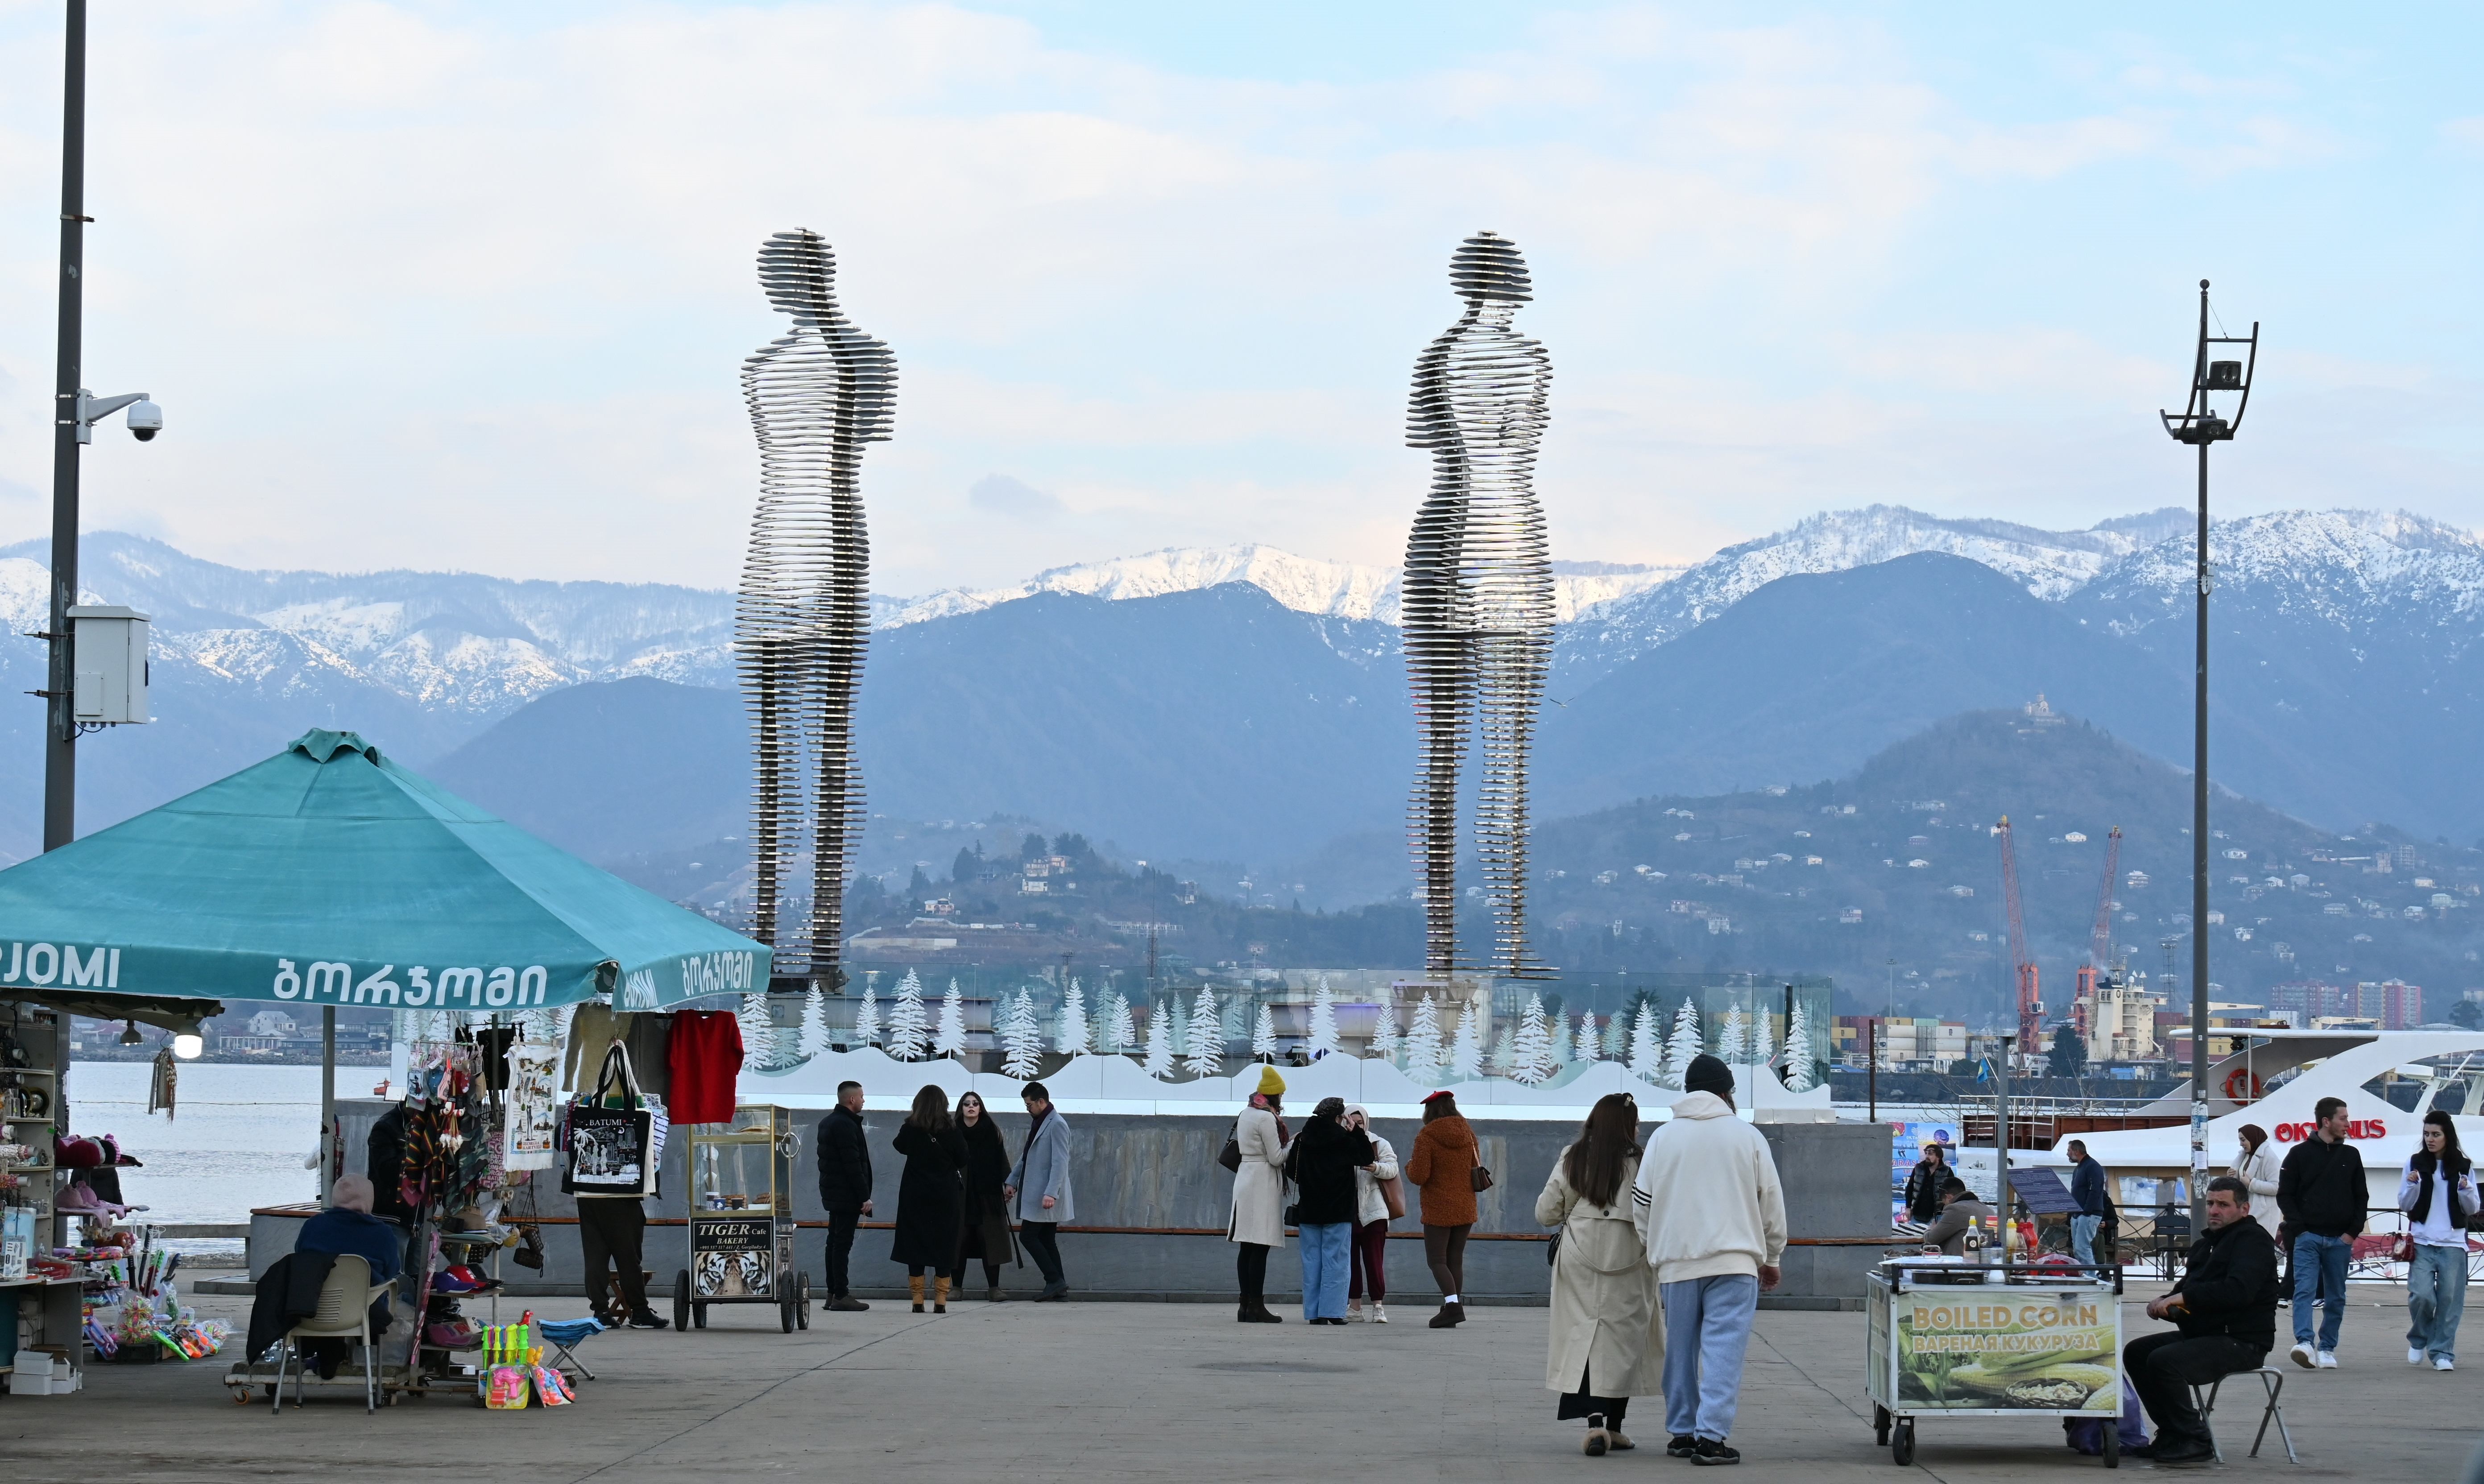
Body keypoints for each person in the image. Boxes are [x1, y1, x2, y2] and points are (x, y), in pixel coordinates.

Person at [1632, 1054, 1785, 1467]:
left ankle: (1682, 1431)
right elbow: (1771, 1202)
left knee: (1680, 1349)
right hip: (1736, 1263)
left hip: (1677, 1262)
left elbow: (1641, 1203)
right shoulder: (1748, 1136)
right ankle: (1712, 1437)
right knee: (1724, 1351)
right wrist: (1771, 1256)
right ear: (1725, 1092)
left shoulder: (1663, 1138)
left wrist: (1655, 1246)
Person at [1538, 1093, 1664, 1458]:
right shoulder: (1643, 1161)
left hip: (1580, 1258)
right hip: (1631, 1259)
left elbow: (1546, 1213)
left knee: (1584, 1337)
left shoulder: (1574, 1156)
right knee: (1625, 1340)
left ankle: (1595, 1425)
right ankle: (1616, 1427)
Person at [2124, 1175, 2280, 1465]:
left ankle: (2196, 1438)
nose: (2214, 1210)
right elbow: (2187, 1290)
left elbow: (2238, 1291)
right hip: (2206, 1334)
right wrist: (2164, 1302)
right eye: (2210, 1203)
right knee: (2137, 1352)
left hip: (2242, 1341)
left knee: (2164, 1360)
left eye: (2223, 1204)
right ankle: (2172, 1433)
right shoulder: (2206, 1244)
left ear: (2244, 1209)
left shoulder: (2253, 1241)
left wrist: (2182, 1299)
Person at [2278, 1095, 2366, 1369]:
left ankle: (2327, 1348)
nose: (2348, 1124)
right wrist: (2300, 1230)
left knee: (2336, 1297)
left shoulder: (2351, 1155)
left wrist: (2352, 1233)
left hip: (2341, 1239)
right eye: (2344, 1118)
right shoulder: (2298, 1154)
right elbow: (2285, 1195)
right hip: (2308, 1238)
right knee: (2304, 1291)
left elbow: (2361, 1197)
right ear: (2326, 1121)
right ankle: (2305, 1343)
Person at [2401, 1108, 2479, 1371]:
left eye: (2436, 1135)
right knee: (2422, 1296)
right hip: (2422, 1241)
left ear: (2448, 1136)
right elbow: (2404, 1204)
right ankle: (2419, 1339)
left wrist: (2466, 1190)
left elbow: (2472, 1209)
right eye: (2426, 1134)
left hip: (2453, 1243)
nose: (2430, 1139)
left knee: (2449, 1301)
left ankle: (2442, 1353)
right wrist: (2413, 1186)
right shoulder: (2415, 1163)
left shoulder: (2464, 1166)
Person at [1288, 1096, 1375, 1325]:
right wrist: (1357, 1132)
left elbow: (1291, 1169)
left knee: (1311, 1262)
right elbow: (1367, 1158)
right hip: (1338, 1209)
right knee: (1336, 1262)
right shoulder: (1343, 1139)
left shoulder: (1303, 1138)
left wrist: (1311, 1181)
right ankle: (1333, 1312)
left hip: (1309, 1210)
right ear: (1339, 1117)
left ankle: (1314, 1314)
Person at [1406, 1088, 1482, 1328]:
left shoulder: (1427, 1135)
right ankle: (1452, 1307)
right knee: (1455, 1260)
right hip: (1465, 1205)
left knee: (1437, 1261)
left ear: (1430, 1111)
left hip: (1439, 1207)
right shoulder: (1468, 1133)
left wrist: (1409, 1166)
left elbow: (1419, 1175)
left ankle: (1452, 1307)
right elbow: (1475, 1166)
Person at [890, 1084, 968, 1313]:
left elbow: (899, 1146)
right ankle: (941, 1299)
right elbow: (963, 1158)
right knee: (945, 1244)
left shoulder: (910, 1129)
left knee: (915, 1244)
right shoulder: (953, 1131)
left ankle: (917, 1299)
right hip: (945, 1196)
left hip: (914, 1195)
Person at [1226, 1066, 1290, 1323]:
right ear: (1275, 1095)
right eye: (1281, 1095)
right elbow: (1276, 1158)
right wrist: (1292, 1144)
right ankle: (1257, 1306)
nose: (1282, 1099)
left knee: (1246, 1246)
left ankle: (1244, 1306)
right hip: (1262, 1181)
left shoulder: (1246, 1113)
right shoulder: (1266, 1119)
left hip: (1245, 1178)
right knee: (1260, 1247)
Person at [1005, 1080, 1075, 1301]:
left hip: (1045, 1195)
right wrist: (1012, 1181)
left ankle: (1054, 1280)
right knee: (1046, 1239)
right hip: (1040, 1194)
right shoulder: (1041, 1122)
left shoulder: (1057, 1124)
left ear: (1041, 1101)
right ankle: (1059, 1287)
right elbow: (1027, 1156)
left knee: (1028, 1236)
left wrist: (1051, 1192)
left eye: (1030, 1105)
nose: (1028, 1109)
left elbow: (1060, 1162)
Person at [955, 1091, 1020, 1301]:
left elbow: (1001, 1159)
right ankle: (956, 1287)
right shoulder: (953, 1131)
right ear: (961, 1108)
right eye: (967, 1104)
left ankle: (994, 1288)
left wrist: (1009, 1183)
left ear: (981, 1108)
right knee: (960, 1239)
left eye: (975, 1104)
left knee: (989, 1240)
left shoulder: (991, 1131)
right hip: (960, 1195)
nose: (971, 1107)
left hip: (987, 1195)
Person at [816, 1080, 874, 1312]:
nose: (863, 1100)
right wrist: (864, 1196)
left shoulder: (829, 1122)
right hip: (847, 1195)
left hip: (834, 1193)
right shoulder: (845, 1125)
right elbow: (853, 1164)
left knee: (833, 1243)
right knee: (842, 1245)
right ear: (852, 1099)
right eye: (861, 1096)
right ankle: (841, 1294)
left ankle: (832, 1294)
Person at [1344, 1103, 1400, 1323]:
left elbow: (1392, 1168)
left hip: (1374, 1213)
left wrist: (1376, 1167)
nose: (1356, 1126)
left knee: (1374, 1262)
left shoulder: (1378, 1143)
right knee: (1351, 1264)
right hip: (1348, 1213)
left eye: (1360, 1122)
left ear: (1366, 1122)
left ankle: (1378, 1307)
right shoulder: (1341, 1142)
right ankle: (1355, 1308)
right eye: (1351, 1122)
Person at [1918, 1177, 1996, 1256]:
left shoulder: (1955, 1209)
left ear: (1949, 1197)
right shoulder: (1989, 1210)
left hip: (1959, 1261)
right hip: (1984, 1259)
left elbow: (1930, 1240)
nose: (1944, 1207)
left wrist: (1931, 1228)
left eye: (1944, 1204)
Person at [2232, 1124, 2282, 1238]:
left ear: (2252, 1138)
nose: (2241, 1144)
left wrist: (2252, 1184)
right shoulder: (2245, 1156)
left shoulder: (2270, 1158)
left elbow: (2276, 1187)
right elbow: (2242, 1179)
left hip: (2263, 1214)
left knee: (2259, 1244)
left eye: (2243, 1140)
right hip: (2247, 1211)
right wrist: (2233, 1175)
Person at [2067, 1140, 2109, 1267]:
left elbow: (2095, 1190)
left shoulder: (2092, 1166)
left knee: (2083, 1247)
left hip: (2088, 1214)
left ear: (2077, 1151)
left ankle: (2091, 1275)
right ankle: (2084, 1274)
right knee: (2078, 1249)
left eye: (2069, 1151)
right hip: (2078, 1213)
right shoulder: (2079, 1168)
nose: (2067, 1154)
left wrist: (2087, 1212)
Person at [1902, 1142, 1950, 1226]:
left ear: (1938, 1157)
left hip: (1936, 1217)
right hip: (1916, 1214)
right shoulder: (1919, 1168)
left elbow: (1951, 1194)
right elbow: (1910, 1188)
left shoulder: (1947, 1171)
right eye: (1926, 1153)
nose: (1927, 1156)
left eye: (1930, 1154)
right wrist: (1908, 1207)